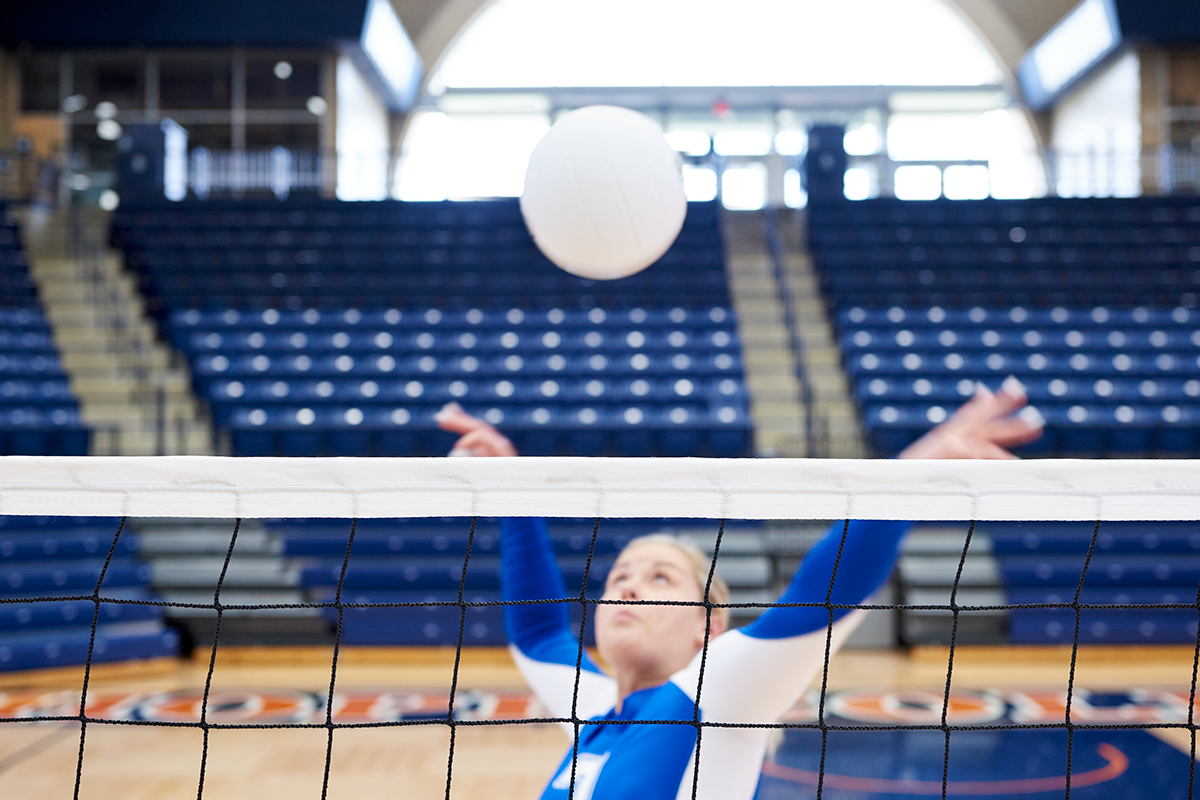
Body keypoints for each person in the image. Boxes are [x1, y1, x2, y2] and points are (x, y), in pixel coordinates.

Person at [435, 377, 1043, 800]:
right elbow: (540, 631)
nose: (629, 588)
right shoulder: (591, 705)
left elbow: (820, 598)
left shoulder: (715, 693)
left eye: (659, 578)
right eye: (618, 577)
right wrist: (511, 486)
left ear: (709, 625)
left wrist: (907, 482)